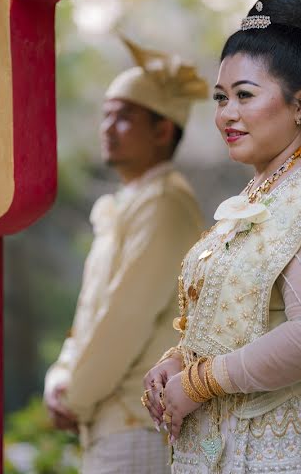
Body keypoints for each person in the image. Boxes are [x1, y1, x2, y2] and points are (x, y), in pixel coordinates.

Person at [142, 0, 301, 473]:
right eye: (220, 98)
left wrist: (199, 382)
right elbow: (236, 320)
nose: (226, 114)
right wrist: (178, 360)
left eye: (245, 95)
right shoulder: (262, 193)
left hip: (288, 455)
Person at [44, 36, 208, 473]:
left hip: (136, 422)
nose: (107, 127)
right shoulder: (135, 201)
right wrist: (59, 376)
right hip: (111, 422)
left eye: (124, 117)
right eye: (105, 116)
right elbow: (90, 314)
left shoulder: (164, 203)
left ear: (162, 129)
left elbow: (125, 318)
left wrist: (75, 397)